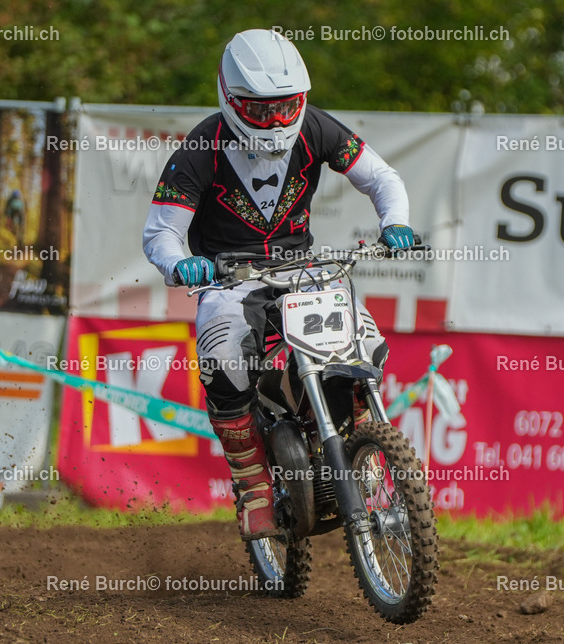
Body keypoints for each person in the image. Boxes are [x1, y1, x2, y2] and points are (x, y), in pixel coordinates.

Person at [142, 29, 414, 541]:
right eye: (260, 110)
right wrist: (182, 265)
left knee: (368, 346)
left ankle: (355, 440)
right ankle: (253, 484)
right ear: (230, 99)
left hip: (302, 267)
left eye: (286, 107)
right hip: (229, 278)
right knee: (223, 362)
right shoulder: (202, 146)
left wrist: (395, 221)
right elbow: (161, 232)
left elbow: (382, 178)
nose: (275, 122)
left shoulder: (316, 127)